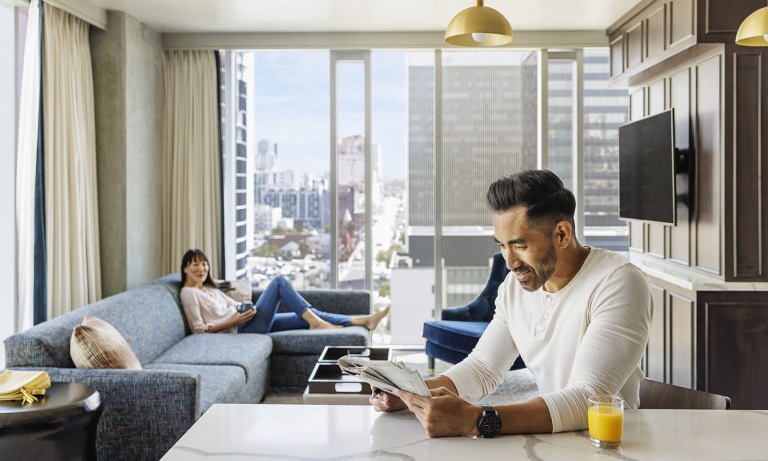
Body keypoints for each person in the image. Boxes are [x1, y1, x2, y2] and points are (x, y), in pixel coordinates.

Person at [371, 169, 652, 438]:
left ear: (562, 234)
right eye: (502, 245)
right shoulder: (514, 289)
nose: (510, 262)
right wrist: (411, 395)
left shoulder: (618, 282)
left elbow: (589, 398)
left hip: (610, 446)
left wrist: (478, 419)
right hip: (552, 440)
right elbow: (482, 369)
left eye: (520, 246)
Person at [179, 248, 389, 334]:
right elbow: (198, 329)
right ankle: (318, 323)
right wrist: (234, 321)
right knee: (279, 282)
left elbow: (230, 306)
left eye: (204, 264)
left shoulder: (209, 289)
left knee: (306, 315)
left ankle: (363, 321)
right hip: (240, 331)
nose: (201, 269)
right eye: (195, 265)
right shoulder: (188, 293)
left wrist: (244, 309)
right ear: (185, 268)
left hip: (245, 320)